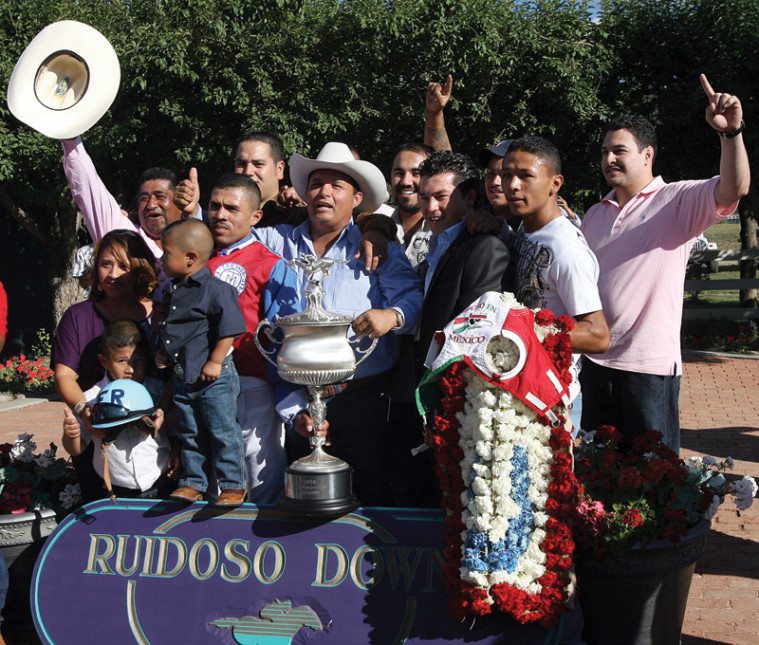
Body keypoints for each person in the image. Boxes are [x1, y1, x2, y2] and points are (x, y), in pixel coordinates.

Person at [580, 74, 750, 452]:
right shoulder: (595, 213)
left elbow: (733, 188)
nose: (609, 158)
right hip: (595, 365)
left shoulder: (677, 201)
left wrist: (731, 133)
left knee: (652, 484)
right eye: (605, 151)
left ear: (647, 155)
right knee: (597, 479)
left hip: (648, 369)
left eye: (619, 150)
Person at [254, 142, 423, 506]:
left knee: (373, 498)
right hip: (296, 399)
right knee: (305, 503)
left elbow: (413, 298)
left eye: (336, 185)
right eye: (316, 183)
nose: (324, 193)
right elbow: (227, 235)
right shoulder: (275, 241)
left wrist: (391, 315)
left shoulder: (378, 248)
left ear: (357, 198)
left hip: (364, 401)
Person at [503, 136, 610, 432]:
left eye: (525, 176)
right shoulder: (525, 226)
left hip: (553, 401)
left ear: (555, 183)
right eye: (507, 175)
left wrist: (527, 332)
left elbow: (598, 335)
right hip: (521, 391)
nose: (512, 185)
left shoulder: (566, 248)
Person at [206, 173, 300, 504]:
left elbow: (283, 340)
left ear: (255, 216)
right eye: (214, 206)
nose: (220, 215)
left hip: (253, 387)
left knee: (261, 479)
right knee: (216, 483)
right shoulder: (196, 257)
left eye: (231, 208)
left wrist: (288, 398)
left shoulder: (270, 264)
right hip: (202, 387)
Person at [158, 219, 249, 507]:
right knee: (190, 429)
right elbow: (174, 328)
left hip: (215, 377)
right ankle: (193, 482)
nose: (161, 259)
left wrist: (215, 360)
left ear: (190, 257)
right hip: (184, 374)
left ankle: (233, 484)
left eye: (165, 253)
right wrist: (164, 352)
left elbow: (231, 327)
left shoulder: (217, 290)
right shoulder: (173, 290)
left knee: (223, 429)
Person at [61, 320, 176, 501]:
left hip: (161, 482)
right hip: (115, 491)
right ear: (104, 361)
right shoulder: (91, 399)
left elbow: (177, 430)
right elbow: (76, 449)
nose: (130, 369)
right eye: (122, 361)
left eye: (138, 360)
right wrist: (72, 435)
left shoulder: (159, 391)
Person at [61, 137, 194, 258]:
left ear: (179, 201)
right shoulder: (124, 235)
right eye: (144, 198)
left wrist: (194, 211)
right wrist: (71, 138)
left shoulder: (196, 240)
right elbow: (89, 187)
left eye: (160, 196)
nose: (151, 204)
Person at [388, 143, 435, 270]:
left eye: (416, 173)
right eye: (399, 173)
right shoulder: (380, 229)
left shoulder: (443, 231)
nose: (405, 181)